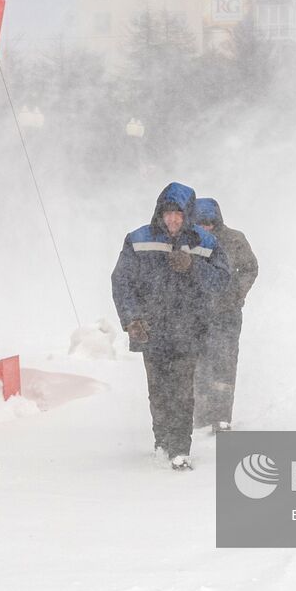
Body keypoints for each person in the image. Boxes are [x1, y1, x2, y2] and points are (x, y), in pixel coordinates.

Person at [111, 182, 230, 470]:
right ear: (159, 214)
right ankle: (162, 442)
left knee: (182, 391)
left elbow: (222, 281)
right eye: (168, 213)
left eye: (178, 213)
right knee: (159, 391)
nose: (173, 219)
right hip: (151, 330)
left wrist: (193, 266)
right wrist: (131, 319)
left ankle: (179, 449)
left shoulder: (206, 243)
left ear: (187, 214)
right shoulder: (138, 239)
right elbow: (121, 281)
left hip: (189, 330)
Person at [192, 197, 258, 432]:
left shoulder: (234, 239)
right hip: (195, 314)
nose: (206, 227)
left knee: (224, 364)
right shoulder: (187, 242)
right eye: (201, 222)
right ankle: (199, 415)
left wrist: (236, 293)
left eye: (210, 222)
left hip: (227, 313)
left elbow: (250, 268)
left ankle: (221, 417)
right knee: (198, 364)